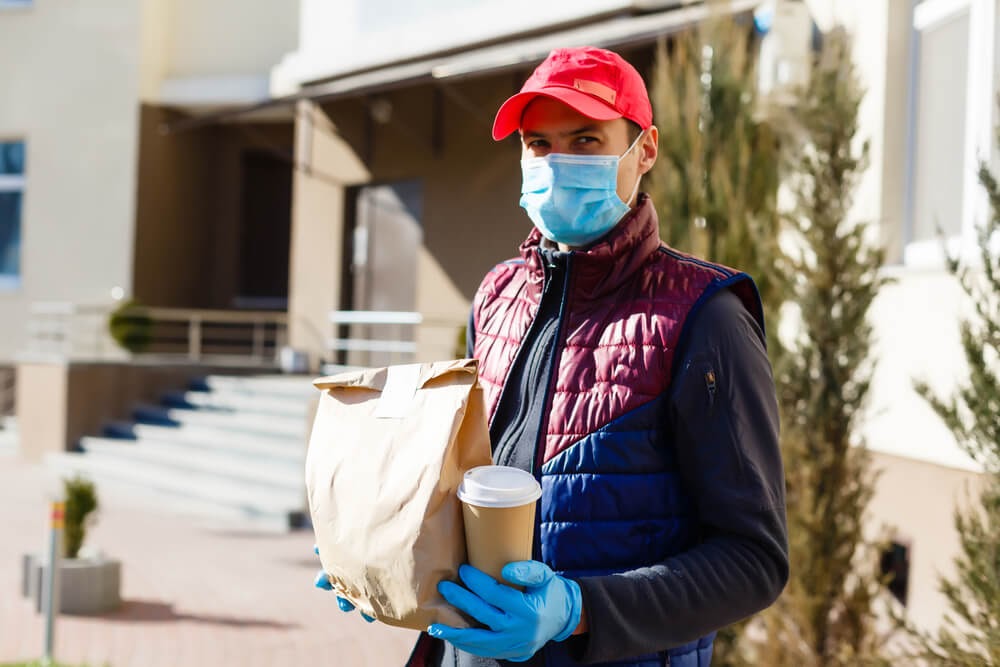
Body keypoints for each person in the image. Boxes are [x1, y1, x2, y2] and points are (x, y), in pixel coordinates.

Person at [318, 46, 788, 667]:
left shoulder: (704, 316)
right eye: (537, 143)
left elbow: (753, 561)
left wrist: (576, 609)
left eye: (587, 140)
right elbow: (471, 481)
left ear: (644, 150)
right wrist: (390, 556)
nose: (557, 163)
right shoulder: (496, 294)